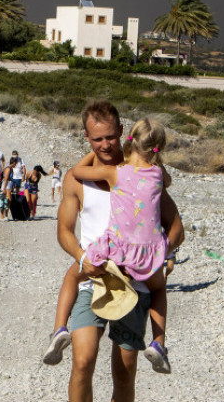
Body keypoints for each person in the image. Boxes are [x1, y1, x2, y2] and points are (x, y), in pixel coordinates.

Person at [47, 101, 184, 402]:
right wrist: (82, 258)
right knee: (82, 360)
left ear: (122, 132)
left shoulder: (141, 172)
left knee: (124, 374)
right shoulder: (80, 180)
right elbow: (64, 231)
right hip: (94, 279)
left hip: (135, 287)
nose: (105, 145)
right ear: (86, 138)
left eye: (111, 137)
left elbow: (176, 226)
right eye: (97, 139)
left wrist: (161, 255)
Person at [46, 116, 173, 375]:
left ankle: (59, 328)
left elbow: (76, 172)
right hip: (147, 255)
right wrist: (163, 252)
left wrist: (91, 152)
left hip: (115, 250)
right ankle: (159, 343)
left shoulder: (115, 173)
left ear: (128, 139)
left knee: (73, 275)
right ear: (157, 148)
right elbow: (168, 199)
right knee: (159, 288)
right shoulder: (159, 175)